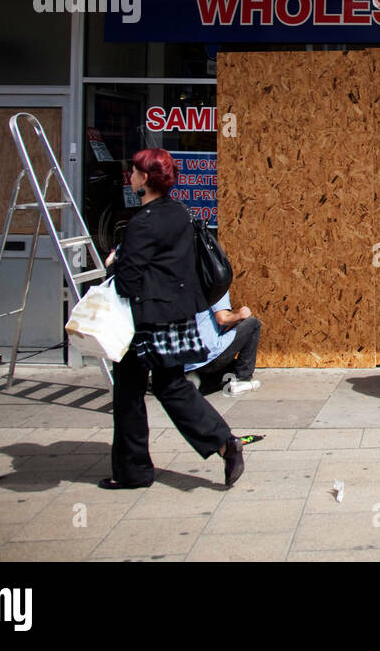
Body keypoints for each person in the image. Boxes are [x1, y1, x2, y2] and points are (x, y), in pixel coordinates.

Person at [101, 148, 244, 489]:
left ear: (146, 179)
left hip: (144, 321)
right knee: (171, 385)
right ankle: (225, 441)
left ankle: (133, 472)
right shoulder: (181, 213)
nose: (131, 177)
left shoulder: (142, 223)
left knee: (128, 395)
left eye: (135, 172)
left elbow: (128, 281)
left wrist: (115, 262)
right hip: (176, 317)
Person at [185, 292, 262, 395]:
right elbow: (223, 319)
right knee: (253, 323)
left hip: (186, 361)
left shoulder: (184, 288)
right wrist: (240, 315)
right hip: (208, 355)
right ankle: (242, 380)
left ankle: (197, 379)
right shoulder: (217, 286)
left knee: (234, 366)